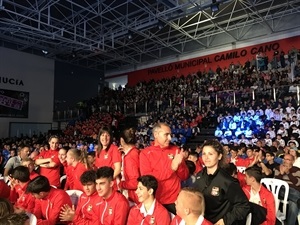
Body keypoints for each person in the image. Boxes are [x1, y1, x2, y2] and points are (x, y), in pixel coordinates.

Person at [194, 139, 250, 225]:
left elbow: (243, 206)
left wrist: (225, 220)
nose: (206, 157)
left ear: (219, 156)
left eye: (210, 154)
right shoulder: (199, 175)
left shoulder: (227, 181)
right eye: (204, 154)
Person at [139, 122, 189, 214]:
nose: (170, 138)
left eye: (170, 135)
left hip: (174, 201)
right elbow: (148, 179)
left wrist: (179, 165)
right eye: (166, 135)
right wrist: (172, 168)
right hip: (155, 200)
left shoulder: (176, 150)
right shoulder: (145, 153)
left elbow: (184, 176)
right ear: (156, 135)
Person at [274, 153, 300, 225]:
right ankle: (298, 200)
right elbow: (275, 183)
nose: (285, 161)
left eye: (288, 160)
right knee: (281, 188)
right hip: (281, 191)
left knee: (293, 205)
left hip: (293, 191)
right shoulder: (278, 168)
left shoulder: (297, 170)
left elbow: (298, 183)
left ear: (292, 161)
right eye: (284, 159)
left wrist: (288, 173)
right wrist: (281, 174)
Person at [119, 127, 140, 204]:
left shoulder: (131, 157)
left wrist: (121, 184)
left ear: (121, 140)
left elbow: (134, 183)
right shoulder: (134, 152)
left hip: (134, 198)